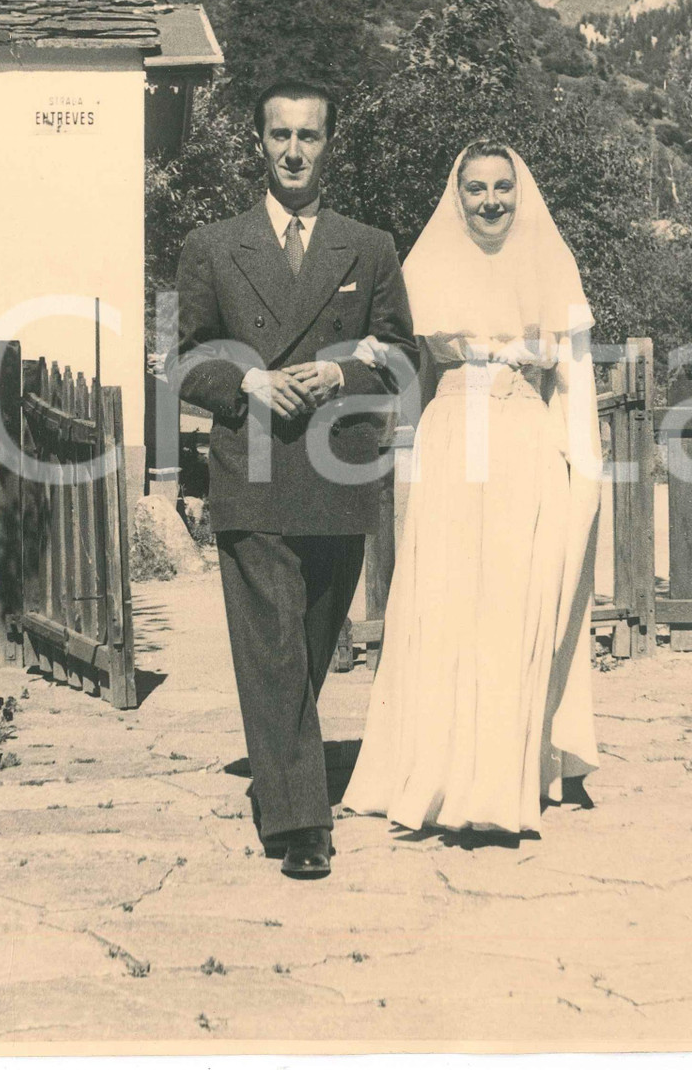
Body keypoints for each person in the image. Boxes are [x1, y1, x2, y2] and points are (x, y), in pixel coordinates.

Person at [171, 81, 417, 878]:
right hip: (252, 467)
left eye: (308, 136)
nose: (293, 151)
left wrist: (342, 374)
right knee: (273, 650)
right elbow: (186, 361)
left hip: (338, 472)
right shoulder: (214, 245)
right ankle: (303, 823)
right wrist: (249, 381)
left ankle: (280, 773)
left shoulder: (369, 246)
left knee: (304, 650)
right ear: (259, 143)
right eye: (279, 135)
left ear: (329, 144)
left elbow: (405, 358)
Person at [342, 140, 602, 838]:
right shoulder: (426, 266)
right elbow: (403, 365)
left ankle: (502, 783)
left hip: (523, 445)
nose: (490, 201)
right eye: (476, 188)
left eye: (502, 188)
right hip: (453, 441)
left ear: (520, 193)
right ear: (457, 196)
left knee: (512, 604)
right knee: (446, 601)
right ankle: (434, 774)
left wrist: (582, 469)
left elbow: (576, 383)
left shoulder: (551, 264)